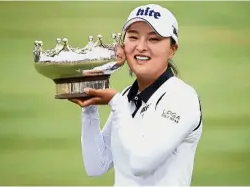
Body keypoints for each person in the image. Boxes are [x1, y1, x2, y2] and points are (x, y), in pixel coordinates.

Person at [69, 4, 203, 186]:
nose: (141, 47)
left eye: (153, 39)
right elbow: (96, 165)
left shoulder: (182, 97)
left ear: (173, 49)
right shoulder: (127, 96)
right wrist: (90, 107)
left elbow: (141, 163)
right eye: (133, 37)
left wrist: (115, 101)